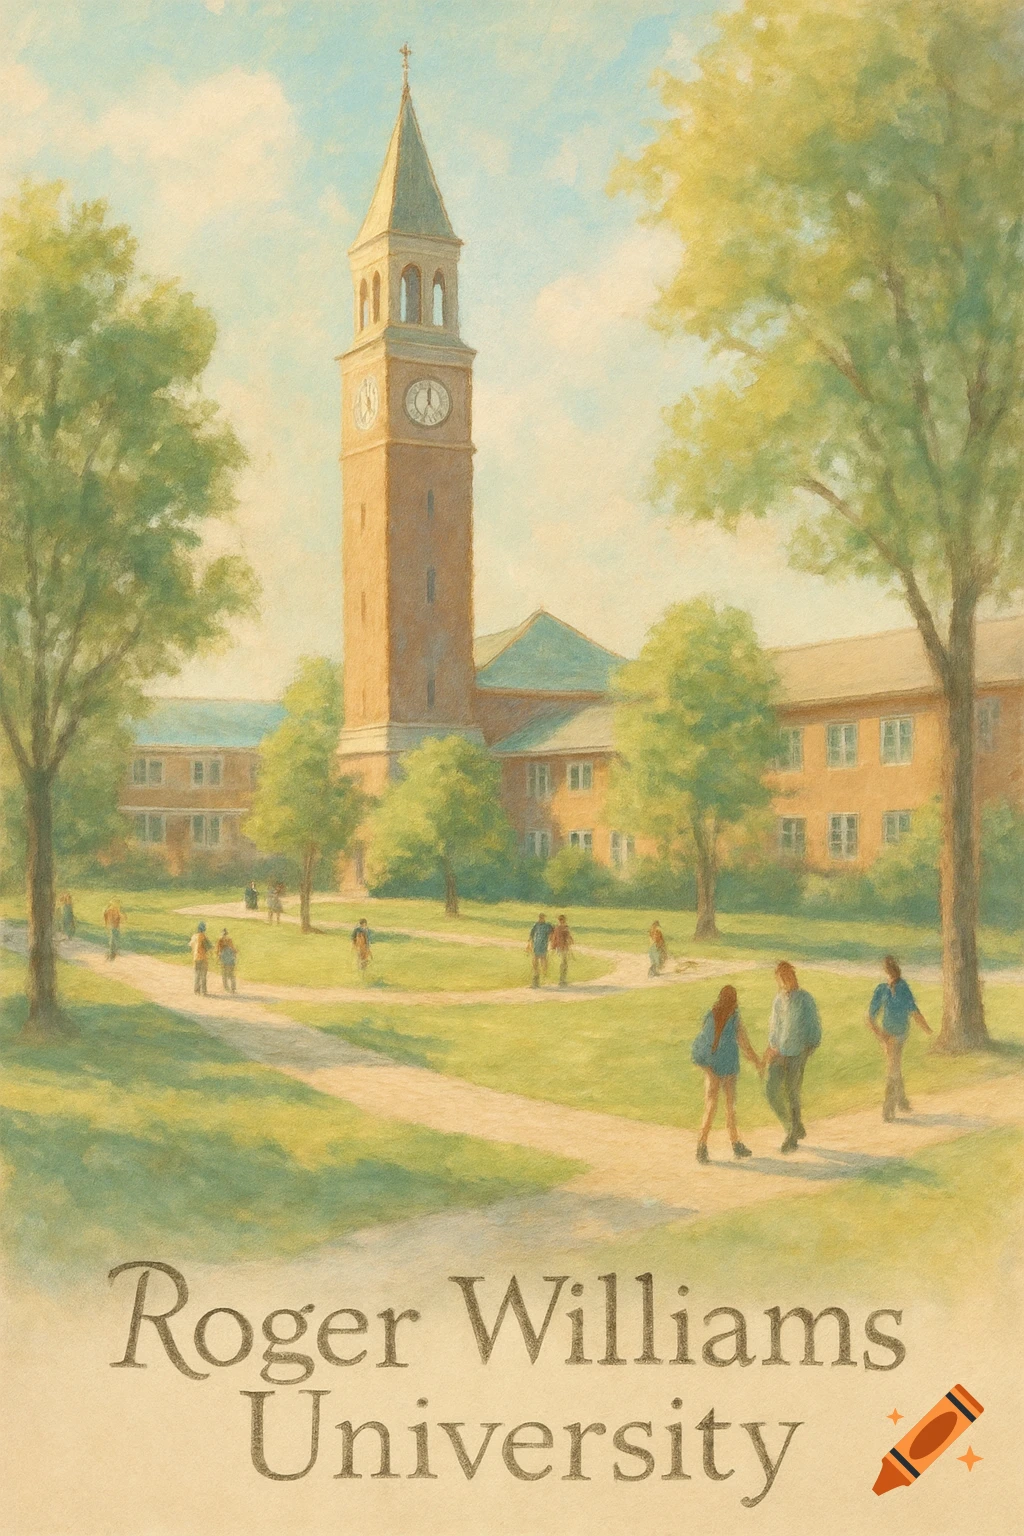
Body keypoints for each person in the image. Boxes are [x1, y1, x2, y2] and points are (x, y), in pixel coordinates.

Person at [692, 984, 762, 1163]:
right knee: (730, 1107)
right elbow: (745, 1045)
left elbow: (704, 1040)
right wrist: (757, 1062)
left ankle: (702, 1146)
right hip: (728, 1067)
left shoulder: (710, 1014)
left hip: (712, 1066)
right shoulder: (734, 1019)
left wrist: (707, 1065)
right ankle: (735, 1144)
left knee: (710, 1106)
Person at [764, 960, 822, 1152]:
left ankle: (792, 1136)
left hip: (798, 1052)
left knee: (792, 1092)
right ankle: (793, 1126)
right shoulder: (778, 1000)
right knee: (771, 1091)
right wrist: (773, 1048)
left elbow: (814, 1029)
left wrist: (807, 1050)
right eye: (780, 978)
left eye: (787, 976)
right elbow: (775, 1028)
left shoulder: (805, 999)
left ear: (793, 976)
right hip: (779, 1053)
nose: (784, 981)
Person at [867, 955, 932, 1120]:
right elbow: (870, 1016)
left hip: (900, 1033)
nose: (891, 976)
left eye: (893, 972)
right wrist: (880, 1034)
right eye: (889, 972)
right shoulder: (881, 989)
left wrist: (926, 1029)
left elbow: (913, 1010)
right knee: (894, 1065)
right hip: (886, 1034)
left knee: (892, 1066)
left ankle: (888, 1108)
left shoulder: (903, 988)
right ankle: (902, 1101)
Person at [527, 913, 554, 987]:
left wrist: (551, 941)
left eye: (542, 918)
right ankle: (536, 980)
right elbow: (531, 934)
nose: (541, 919)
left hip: (543, 945)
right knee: (535, 961)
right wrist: (529, 944)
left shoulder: (547, 926)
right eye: (540, 918)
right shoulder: (536, 925)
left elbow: (552, 934)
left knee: (543, 960)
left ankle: (543, 977)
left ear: (544, 918)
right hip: (536, 945)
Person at [551, 913, 574, 987]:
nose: (562, 921)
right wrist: (553, 946)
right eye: (561, 920)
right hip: (561, 947)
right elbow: (555, 937)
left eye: (563, 920)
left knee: (565, 962)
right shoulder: (558, 928)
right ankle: (562, 980)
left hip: (565, 946)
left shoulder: (565, 927)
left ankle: (563, 979)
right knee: (563, 962)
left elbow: (568, 936)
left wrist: (570, 941)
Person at [189, 921, 212, 996]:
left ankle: (196, 990)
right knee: (203, 975)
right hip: (203, 957)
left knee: (197, 974)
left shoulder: (194, 936)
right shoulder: (203, 936)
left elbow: (191, 945)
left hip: (196, 957)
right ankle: (203, 991)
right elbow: (208, 946)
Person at [216, 929, 238, 993]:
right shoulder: (229, 940)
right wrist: (235, 953)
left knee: (224, 974)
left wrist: (218, 957)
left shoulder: (220, 940)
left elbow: (218, 950)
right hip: (230, 959)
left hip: (224, 959)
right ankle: (233, 988)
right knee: (231, 974)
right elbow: (233, 949)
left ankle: (227, 988)